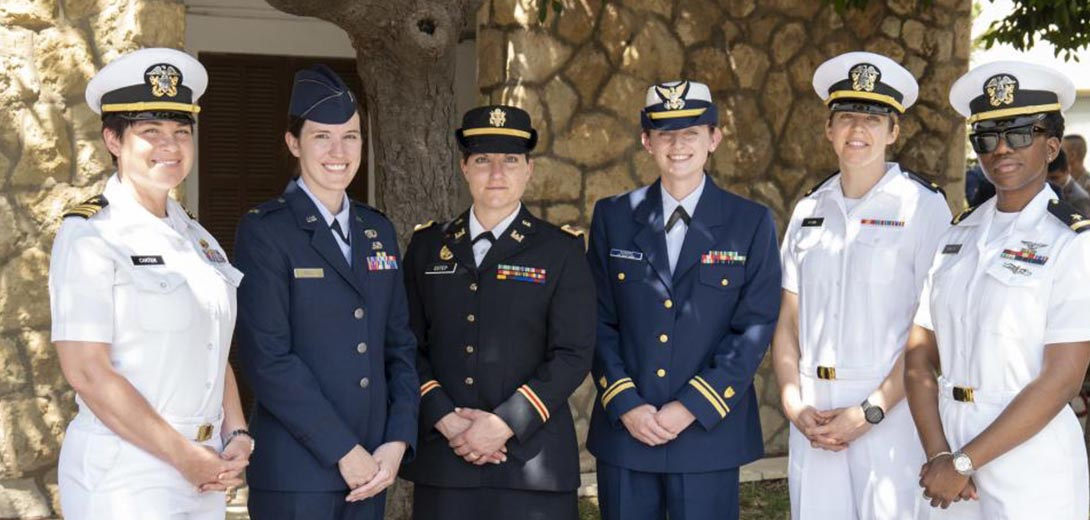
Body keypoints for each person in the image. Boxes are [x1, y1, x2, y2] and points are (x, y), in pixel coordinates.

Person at [49, 47, 252, 519]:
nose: (171, 146)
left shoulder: (197, 236)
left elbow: (211, 347)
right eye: (151, 132)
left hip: (205, 468)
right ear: (114, 140)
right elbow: (87, 372)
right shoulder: (91, 234)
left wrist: (236, 432)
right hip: (127, 471)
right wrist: (185, 457)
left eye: (182, 132)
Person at [907, 61, 1090, 519]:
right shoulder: (957, 235)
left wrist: (964, 461)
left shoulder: (1073, 243)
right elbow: (920, 352)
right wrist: (942, 454)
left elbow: (1061, 379)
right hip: (948, 450)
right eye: (987, 137)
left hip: (1030, 457)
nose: (1001, 149)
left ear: (1052, 145)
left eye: (1020, 134)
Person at [585, 80, 782, 520]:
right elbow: (596, 320)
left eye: (691, 132)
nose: (678, 145)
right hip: (627, 432)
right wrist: (626, 404)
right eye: (665, 133)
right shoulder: (613, 217)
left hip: (707, 433)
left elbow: (755, 326)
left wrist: (692, 407)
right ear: (646, 141)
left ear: (714, 138)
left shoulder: (749, 222)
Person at [772, 52, 953, 520]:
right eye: (847, 117)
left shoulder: (924, 207)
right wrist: (793, 403)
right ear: (829, 129)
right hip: (813, 411)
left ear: (894, 132)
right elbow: (788, 319)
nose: (858, 130)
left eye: (873, 118)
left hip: (889, 413)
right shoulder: (808, 210)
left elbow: (931, 327)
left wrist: (870, 411)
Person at [233, 65, 418, 519]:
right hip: (298, 475)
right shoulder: (265, 231)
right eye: (322, 137)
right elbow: (268, 358)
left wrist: (396, 440)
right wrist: (343, 450)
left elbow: (400, 345)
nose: (339, 152)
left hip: (373, 469)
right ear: (294, 143)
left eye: (351, 136)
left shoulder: (377, 230)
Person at [399, 105, 596, 520]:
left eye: (510, 160)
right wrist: (445, 419)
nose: (496, 173)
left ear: (528, 169)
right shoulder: (427, 247)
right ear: (464, 167)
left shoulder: (560, 250)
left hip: (531, 458)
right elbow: (403, 344)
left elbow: (573, 353)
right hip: (446, 458)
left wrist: (504, 423)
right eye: (483, 160)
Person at [1046, 150, 1090, 217]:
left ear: (1067, 171)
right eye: (1046, 179)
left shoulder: (1080, 198)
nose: (1050, 182)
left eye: (1054, 178)